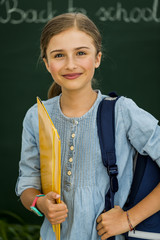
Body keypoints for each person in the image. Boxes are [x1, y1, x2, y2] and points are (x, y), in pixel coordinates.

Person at [15, 12, 160, 240]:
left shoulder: (122, 112)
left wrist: (129, 218)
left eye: (81, 53)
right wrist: (40, 203)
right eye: (59, 55)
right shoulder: (36, 116)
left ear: (97, 58)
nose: (71, 64)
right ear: (47, 63)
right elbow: (27, 184)